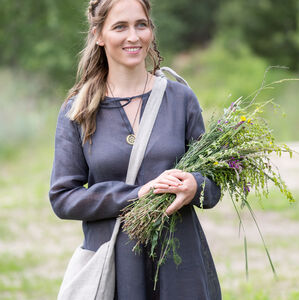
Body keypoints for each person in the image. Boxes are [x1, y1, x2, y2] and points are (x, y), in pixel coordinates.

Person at [49, 0, 222, 299]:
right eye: (120, 26)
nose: (133, 36)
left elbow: (213, 184)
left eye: (141, 25)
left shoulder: (180, 99)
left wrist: (195, 185)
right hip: (115, 269)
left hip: (180, 268)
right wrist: (134, 195)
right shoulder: (77, 111)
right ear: (99, 35)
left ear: (151, 30)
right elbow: (63, 198)